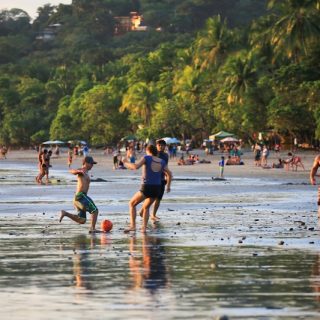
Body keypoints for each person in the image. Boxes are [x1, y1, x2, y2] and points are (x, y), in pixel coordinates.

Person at [123, 144, 172, 233]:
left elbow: (135, 167)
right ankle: (144, 228)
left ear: (148, 150)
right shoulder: (162, 161)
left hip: (147, 187)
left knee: (132, 204)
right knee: (146, 207)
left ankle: (133, 226)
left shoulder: (147, 158)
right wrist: (168, 186)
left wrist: (125, 162)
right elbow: (169, 174)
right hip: (157, 188)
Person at [59, 156, 100, 232]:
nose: (92, 165)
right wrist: (78, 172)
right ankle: (92, 228)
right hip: (81, 196)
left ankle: (65, 213)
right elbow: (72, 171)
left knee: (82, 220)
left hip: (78, 198)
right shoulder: (82, 170)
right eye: (91, 163)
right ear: (86, 163)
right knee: (95, 210)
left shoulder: (86, 172)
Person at [149, 139, 169, 222]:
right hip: (153, 179)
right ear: (156, 146)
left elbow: (166, 167)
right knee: (151, 197)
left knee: (158, 198)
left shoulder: (166, 155)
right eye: (159, 145)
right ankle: (143, 210)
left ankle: (153, 215)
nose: (161, 146)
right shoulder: (154, 155)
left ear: (165, 146)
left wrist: (167, 177)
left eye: (162, 145)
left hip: (162, 179)